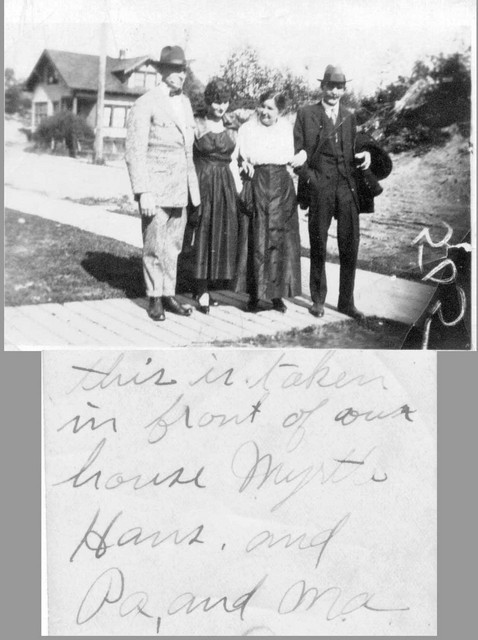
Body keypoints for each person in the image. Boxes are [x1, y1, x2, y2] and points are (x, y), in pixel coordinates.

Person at [293, 64, 376, 320]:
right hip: (320, 186)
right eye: (330, 86)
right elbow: (296, 154)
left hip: (346, 185)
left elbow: (356, 146)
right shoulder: (306, 114)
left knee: (350, 244)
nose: (334, 92)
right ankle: (318, 300)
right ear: (323, 87)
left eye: (339, 87)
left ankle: (346, 302)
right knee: (318, 241)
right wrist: (312, 180)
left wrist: (366, 154)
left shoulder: (349, 117)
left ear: (344, 89)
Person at [125, 45, 200, 321]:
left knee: (173, 246)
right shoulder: (145, 102)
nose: (182, 74)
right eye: (177, 69)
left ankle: (168, 294)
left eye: (184, 69)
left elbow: (188, 147)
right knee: (154, 245)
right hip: (155, 190)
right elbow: (134, 151)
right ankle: (154, 298)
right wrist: (143, 190)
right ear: (163, 71)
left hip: (181, 189)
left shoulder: (186, 103)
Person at [235, 90, 302, 313]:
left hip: (282, 185)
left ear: (280, 111)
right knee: (255, 237)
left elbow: (298, 154)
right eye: (262, 106)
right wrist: (244, 163)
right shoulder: (247, 129)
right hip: (258, 182)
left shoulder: (286, 129)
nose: (264, 111)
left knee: (280, 240)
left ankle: (276, 296)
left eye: (270, 108)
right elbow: (237, 156)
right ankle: (254, 295)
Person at [187, 79, 239, 314]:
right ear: (208, 100)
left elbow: (238, 157)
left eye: (225, 102)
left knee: (220, 234)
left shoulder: (232, 126)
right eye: (217, 101)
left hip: (225, 184)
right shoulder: (196, 123)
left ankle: (212, 284)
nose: (221, 107)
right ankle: (201, 289)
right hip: (203, 181)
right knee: (203, 233)